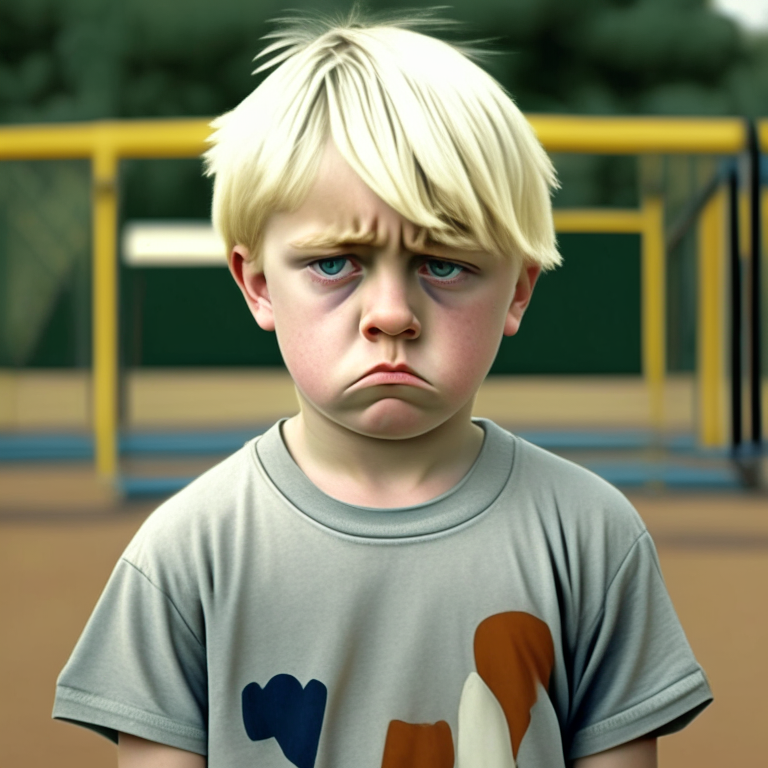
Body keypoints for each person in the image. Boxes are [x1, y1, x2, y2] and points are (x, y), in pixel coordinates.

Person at [53, 10, 712, 768]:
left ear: (519, 293)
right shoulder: (182, 559)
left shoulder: (592, 541)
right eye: (335, 263)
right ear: (258, 285)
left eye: (445, 263)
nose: (392, 313)